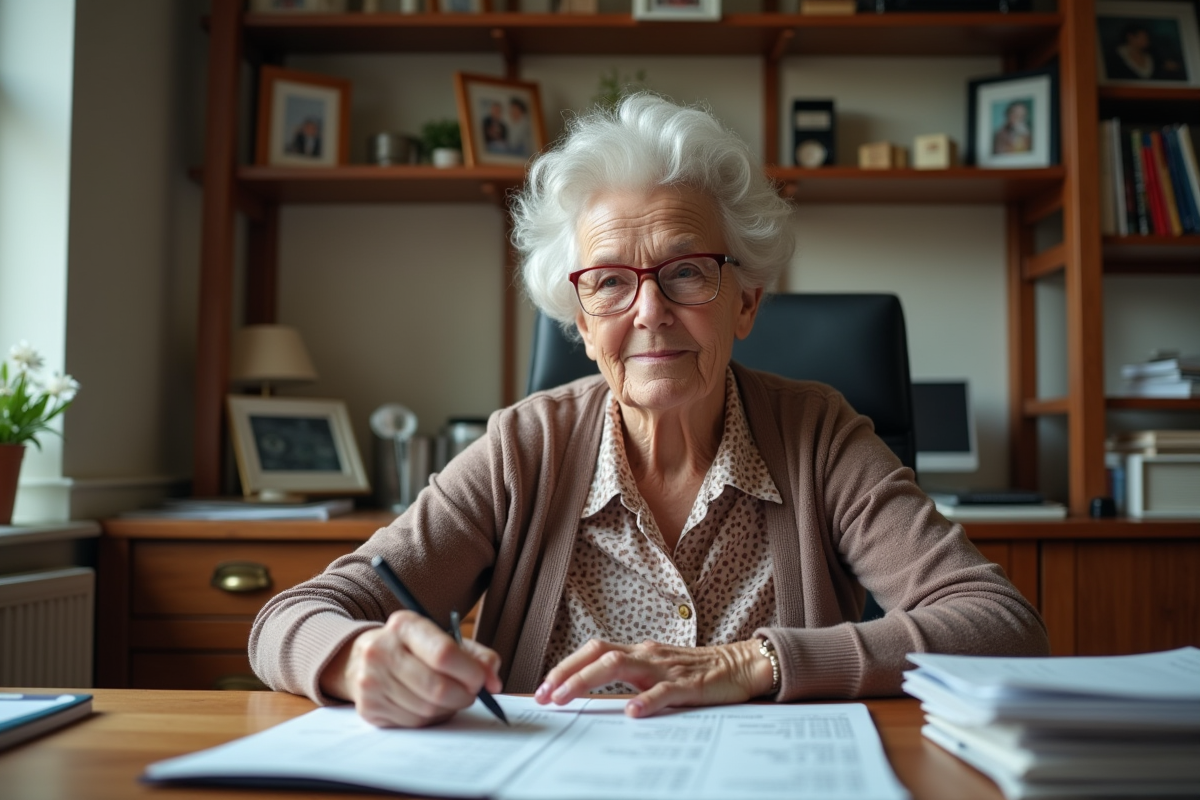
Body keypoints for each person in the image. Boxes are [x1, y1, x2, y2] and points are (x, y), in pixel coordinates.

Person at [249, 95, 1049, 729]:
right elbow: (291, 618)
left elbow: (1001, 625)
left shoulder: (820, 437)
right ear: (580, 321)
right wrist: (357, 659)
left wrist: (757, 663)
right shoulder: (525, 447)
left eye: (687, 272)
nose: (650, 311)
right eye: (609, 282)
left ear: (745, 301)